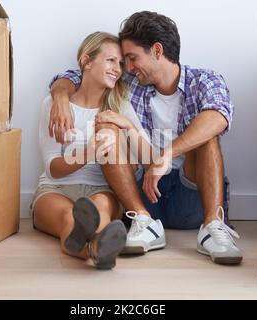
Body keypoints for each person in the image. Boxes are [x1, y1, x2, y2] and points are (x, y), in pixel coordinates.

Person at [48, 11, 242, 265]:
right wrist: (61, 96)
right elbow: (80, 75)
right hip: (141, 195)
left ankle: (213, 227)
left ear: (157, 51)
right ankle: (144, 222)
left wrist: (166, 156)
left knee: (207, 135)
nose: (126, 67)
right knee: (109, 126)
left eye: (131, 58)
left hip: (191, 195)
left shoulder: (205, 80)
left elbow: (219, 116)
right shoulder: (131, 81)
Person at [30, 31, 163, 270]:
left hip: (101, 189)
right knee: (69, 217)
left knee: (99, 208)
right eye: (111, 60)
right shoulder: (53, 105)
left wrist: (128, 126)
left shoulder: (119, 105)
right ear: (86, 61)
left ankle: (94, 247)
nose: (118, 69)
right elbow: (53, 169)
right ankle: (97, 250)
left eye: (121, 63)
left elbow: (152, 160)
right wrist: (89, 152)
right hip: (55, 189)